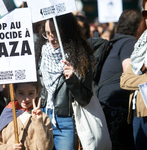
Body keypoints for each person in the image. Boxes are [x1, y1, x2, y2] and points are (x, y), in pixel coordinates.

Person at [35, 13, 93, 150]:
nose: (51, 38)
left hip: (66, 122)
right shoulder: (41, 55)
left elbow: (85, 99)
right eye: (47, 33)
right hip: (42, 117)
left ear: (66, 31)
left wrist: (73, 80)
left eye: (55, 33)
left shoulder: (81, 57)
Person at [97, 9, 142, 149]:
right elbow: (130, 73)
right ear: (138, 26)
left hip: (105, 104)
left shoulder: (115, 42)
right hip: (116, 109)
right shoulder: (129, 42)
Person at [0, 80, 54, 150]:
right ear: (14, 93)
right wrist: (10, 148)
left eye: (31, 93)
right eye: (21, 93)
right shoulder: (8, 114)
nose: (26, 98)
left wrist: (38, 122)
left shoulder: (43, 118)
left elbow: (46, 147)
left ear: (37, 92)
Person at [120, 1, 147, 149]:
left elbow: (130, 79)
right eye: (146, 13)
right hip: (139, 111)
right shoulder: (140, 44)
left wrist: (136, 80)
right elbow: (124, 80)